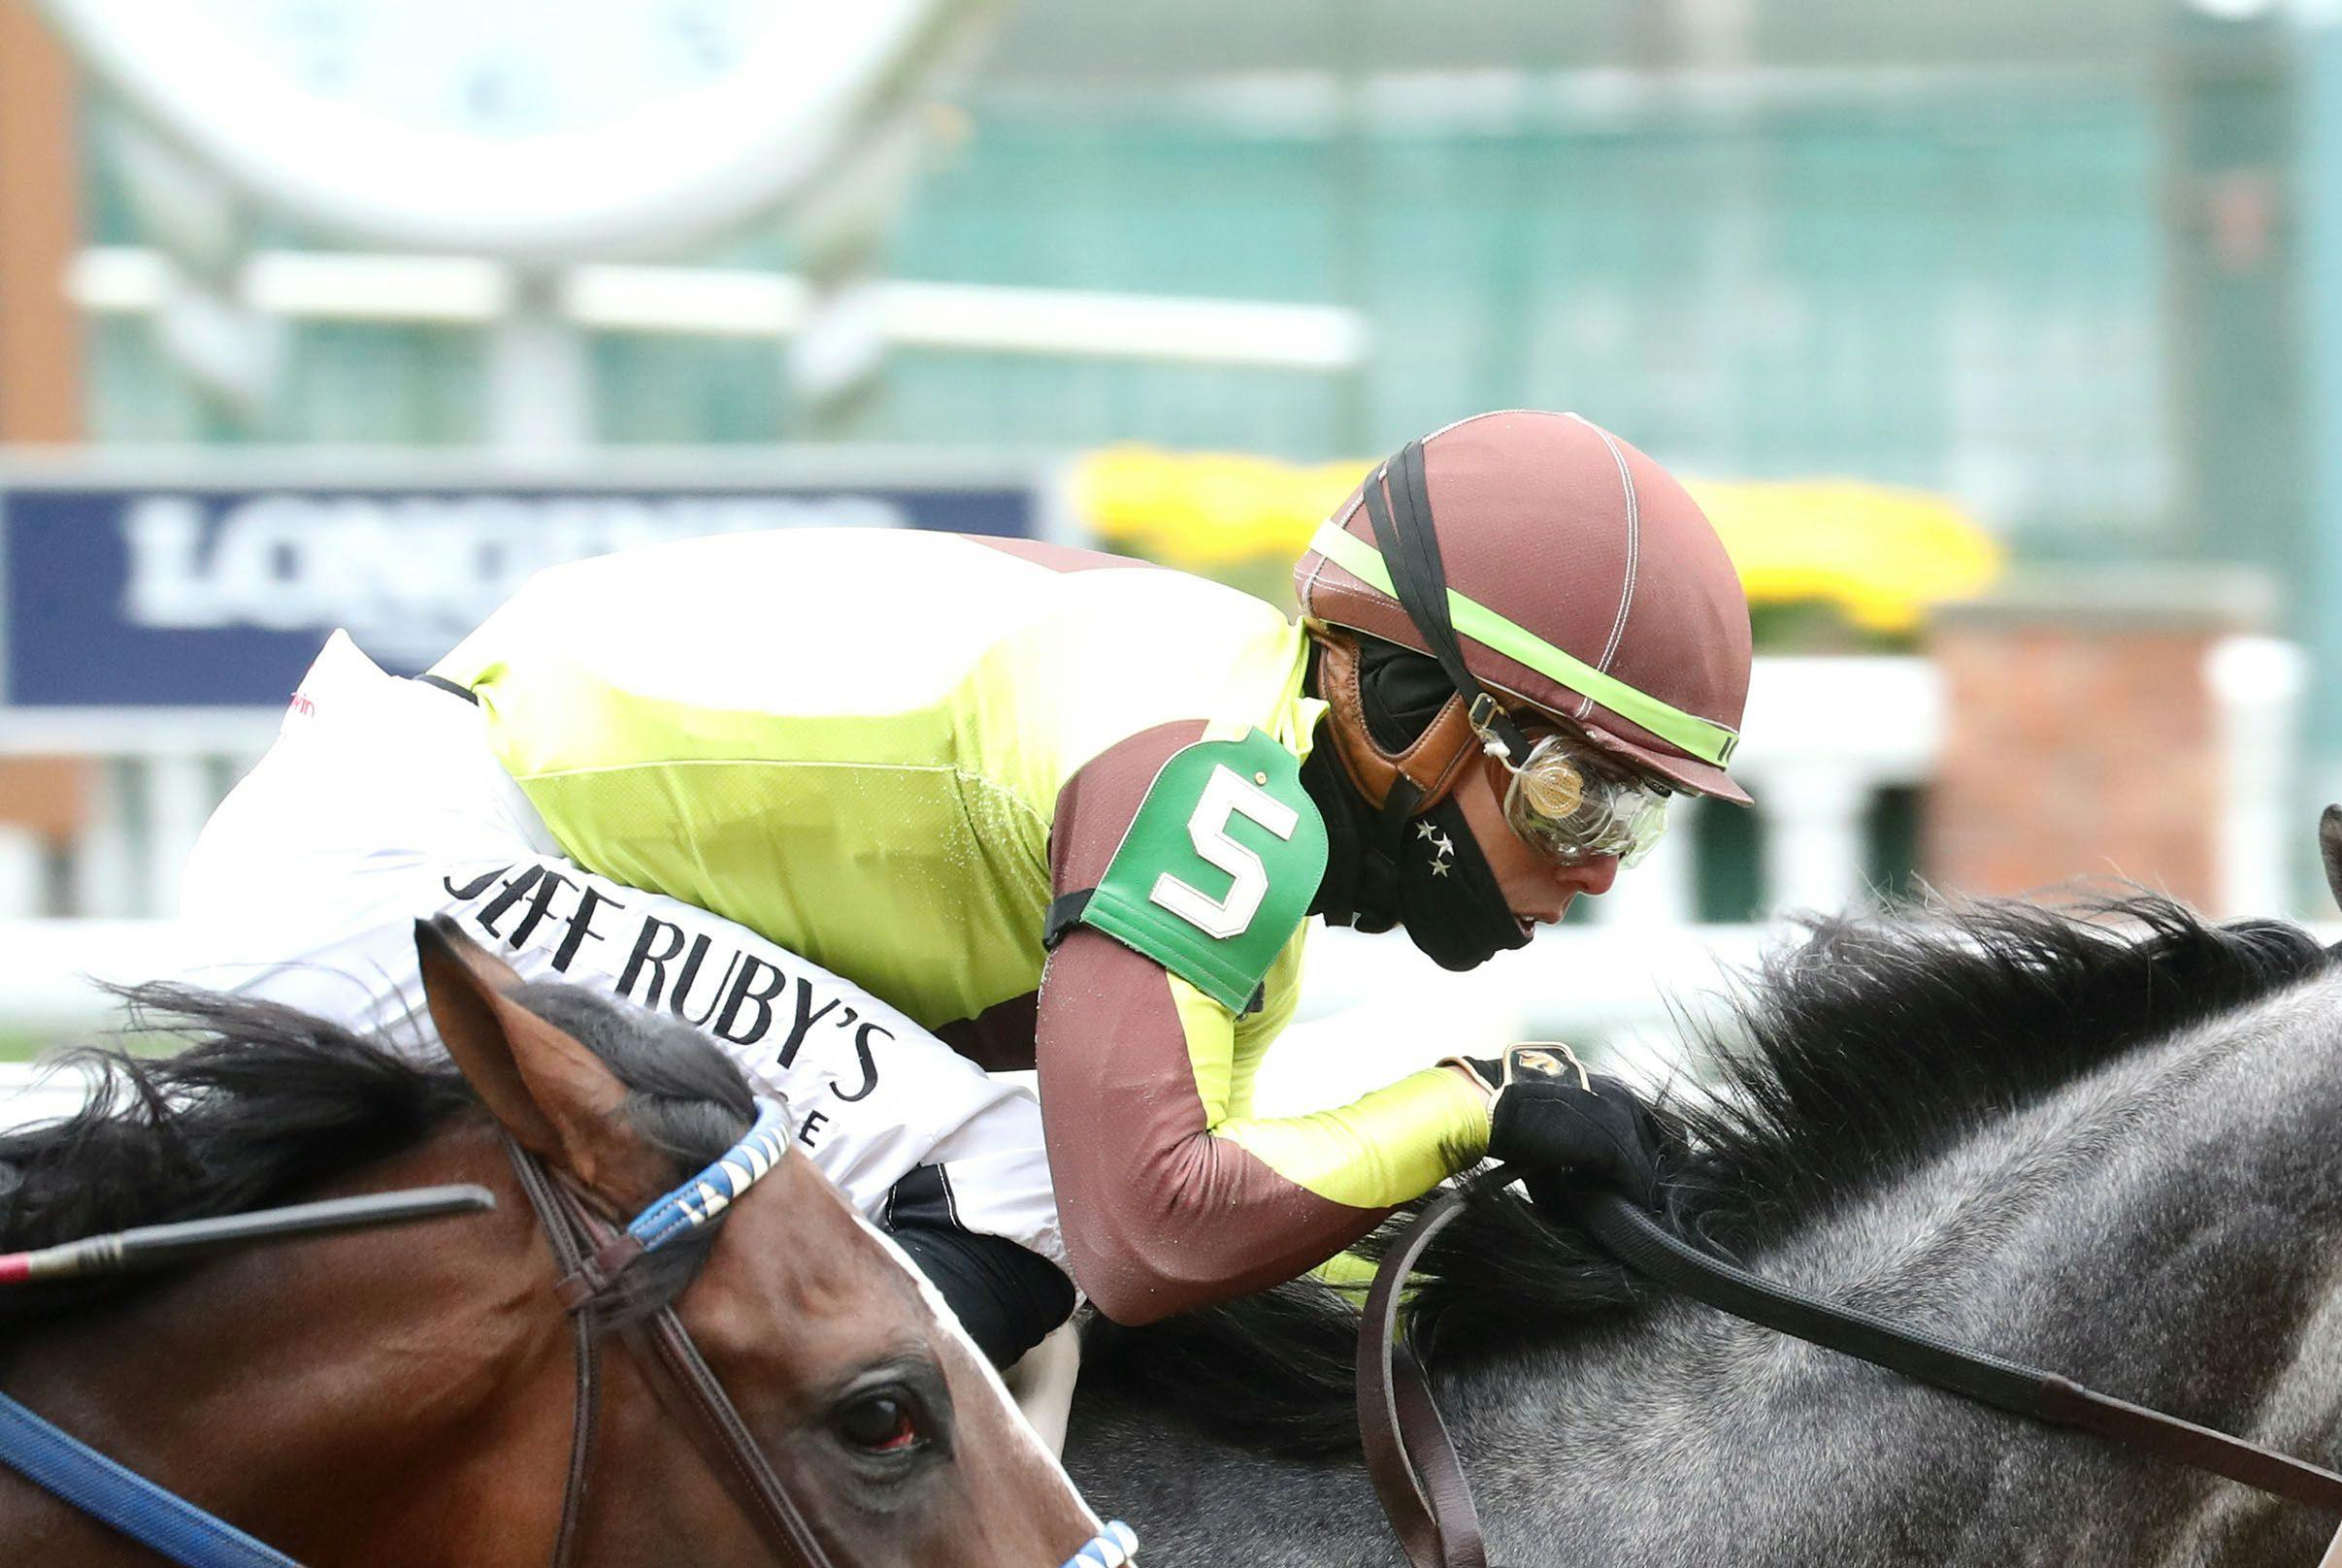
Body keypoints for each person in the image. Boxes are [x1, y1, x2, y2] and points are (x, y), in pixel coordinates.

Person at [174, 409, 1752, 1391]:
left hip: (443, 840)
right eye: (1574, 792)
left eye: (1644, 816)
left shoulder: (1230, 775)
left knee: (1020, 1260)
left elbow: (1199, 1232)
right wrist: (1475, 1107)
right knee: (1026, 1190)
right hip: (417, 870)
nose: (1601, 863)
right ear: (1402, 699)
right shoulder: (1220, 786)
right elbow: (1148, 1229)